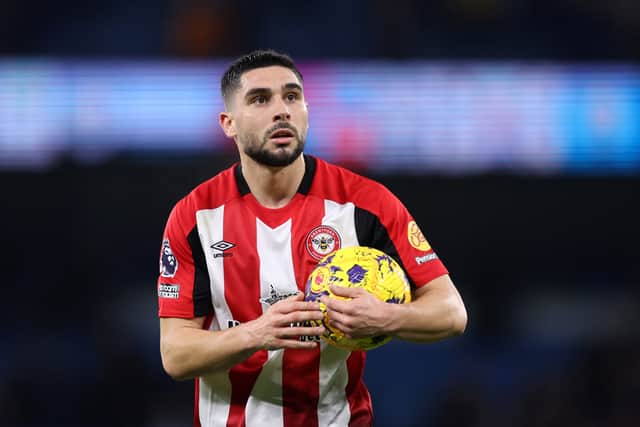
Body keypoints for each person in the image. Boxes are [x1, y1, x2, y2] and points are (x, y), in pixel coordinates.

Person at [157, 49, 467, 427]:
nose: (281, 110)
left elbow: (451, 313)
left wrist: (387, 316)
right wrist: (257, 333)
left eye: (292, 96)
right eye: (260, 99)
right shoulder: (195, 216)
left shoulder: (366, 203)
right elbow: (175, 355)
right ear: (229, 123)